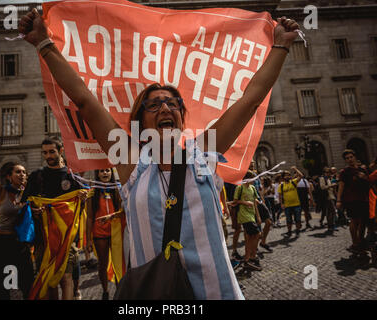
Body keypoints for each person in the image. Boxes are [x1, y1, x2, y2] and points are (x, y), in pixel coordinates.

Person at [19, 9, 300, 299]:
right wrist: (43, 43)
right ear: (140, 123)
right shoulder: (130, 161)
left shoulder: (204, 151)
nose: (165, 108)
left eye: (172, 104)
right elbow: (84, 99)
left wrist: (281, 45)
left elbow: (251, 98)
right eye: (154, 105)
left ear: (181, 116)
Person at [21, 137, 89, 300]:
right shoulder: (37, 176)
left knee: (66, 278)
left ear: (61, 151)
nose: (48, 156)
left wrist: (83, 199)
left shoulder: (73, 176)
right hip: (42, 237)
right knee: (50, 279)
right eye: (45, 152)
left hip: (66, 238)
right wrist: (34, 210)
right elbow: (25, 203)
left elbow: (80, 209)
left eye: (52, 151)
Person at [0, 137, 34, 300]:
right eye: (17, 171)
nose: (21, 174)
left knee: (27, 282)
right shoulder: (1, 192)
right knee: (2, 285)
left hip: (20, 244)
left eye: (24, 172)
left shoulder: (29, 195)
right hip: (1, 244)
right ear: (9, 176)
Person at [86, 168, 124, 300]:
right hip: (99, 233)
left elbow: (122, 211)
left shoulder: (118, 190)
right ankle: (105, 291)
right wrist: (88, 240)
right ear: (97, 174)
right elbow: (89, 217)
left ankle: (120, 289)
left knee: (119, 262)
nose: (105, 173)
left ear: (112, 173)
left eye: (107, 170)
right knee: (103, 263)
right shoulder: (92, 193)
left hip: (116, 233)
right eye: (101, 171)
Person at [337, 149, 370, 254]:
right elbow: (341, 186)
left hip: (363, 198)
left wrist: (364, 177)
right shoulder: (344, 172)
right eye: (347, 158)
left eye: (351, 157)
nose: (350, 159)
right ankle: (355, 243)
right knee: (354, 220)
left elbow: (369, 183)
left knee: (363, 221)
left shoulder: (362, 170)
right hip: (351, 199)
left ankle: (360, 240)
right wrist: (338, 200)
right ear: (345, 160)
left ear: (355, 157)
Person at [232, 172, 262, 271]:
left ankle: (247, 259)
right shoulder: (239, 188)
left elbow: (254, 203)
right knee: (257, 234)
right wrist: (245, 202)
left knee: (250, 237)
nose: (254, 180)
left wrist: (258, 216)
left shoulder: (252, 188)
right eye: (253, 178)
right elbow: (235, 201)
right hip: (244, 215)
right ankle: (252, 256)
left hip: (252, 215)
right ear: (247, 178)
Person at [278, 167, 304, 237]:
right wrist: (281, 204)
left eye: (289, 175)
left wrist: (295, 169)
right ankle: (289, 231)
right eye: (286, 175)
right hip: (287, 205)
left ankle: (297, 231)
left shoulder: (294, 181)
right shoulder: (281, 185)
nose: (287, 176)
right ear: (283, 177)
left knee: (298, 219)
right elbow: (280, 196)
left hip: (296, 204)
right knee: (289, 220)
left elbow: (301, 176)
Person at [319, 167, 338, 233]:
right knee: (331, 211)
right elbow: (322, 187)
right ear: (324, 173)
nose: (328, 173)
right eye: (327, 172)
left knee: (331, 212)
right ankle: (330, 226)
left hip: (331, 196)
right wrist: (331, 186)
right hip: (327, 197)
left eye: (329, 172)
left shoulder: (329, 179)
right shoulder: (322, 178)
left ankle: (332, 225)